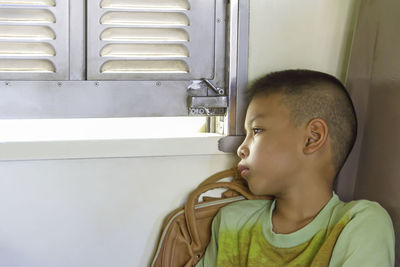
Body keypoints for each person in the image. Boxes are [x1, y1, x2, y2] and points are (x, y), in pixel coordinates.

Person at [196, 69, 395, 266]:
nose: (241, 149)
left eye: (257, 130)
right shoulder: (233, 221)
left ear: (312, 138)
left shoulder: (359, 223)